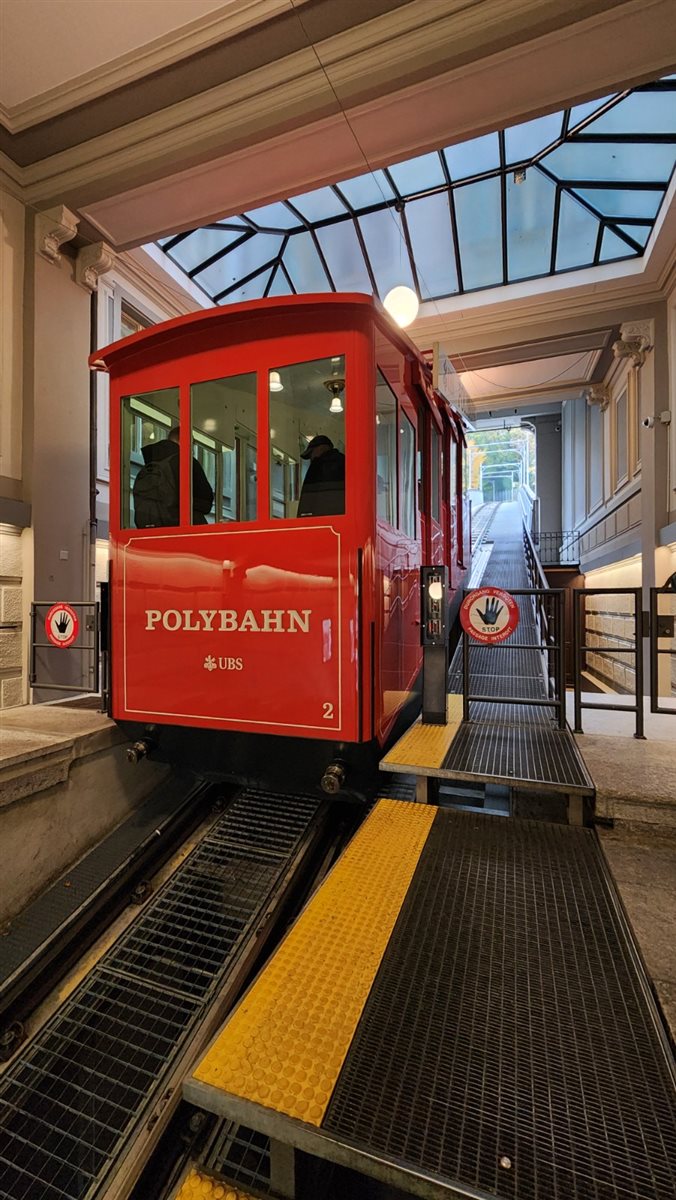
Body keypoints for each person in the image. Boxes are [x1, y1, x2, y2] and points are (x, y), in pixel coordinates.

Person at [134, 426, 214, 527]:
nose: (192, 449)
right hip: (180, 528)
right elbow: (206, 503)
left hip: (149, 531)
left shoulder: (149, 465)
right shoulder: (187, 462)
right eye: (192, 443)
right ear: (184, 440)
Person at [298, 435, 345, 517]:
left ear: (321, 448)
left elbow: (308, 499)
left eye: (311, 453)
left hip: (319, 519)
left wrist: (302, 519)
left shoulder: (318, 465)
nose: (311, 458)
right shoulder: (345, 462)